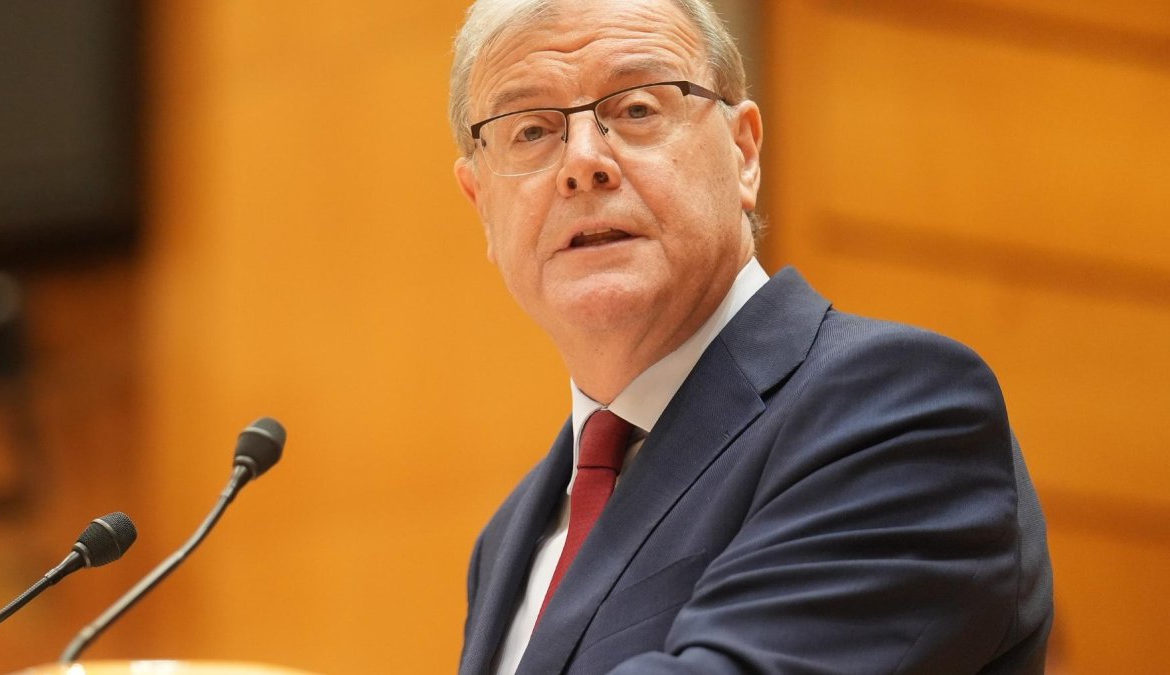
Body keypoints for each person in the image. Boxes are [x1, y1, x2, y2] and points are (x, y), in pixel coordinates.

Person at [449, 0, 1054, 673]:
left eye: (637, 109)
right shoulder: (508, 539)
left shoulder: (901, 411)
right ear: (481, 203)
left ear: (743, 152)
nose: (583, 161)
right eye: (530, 130)